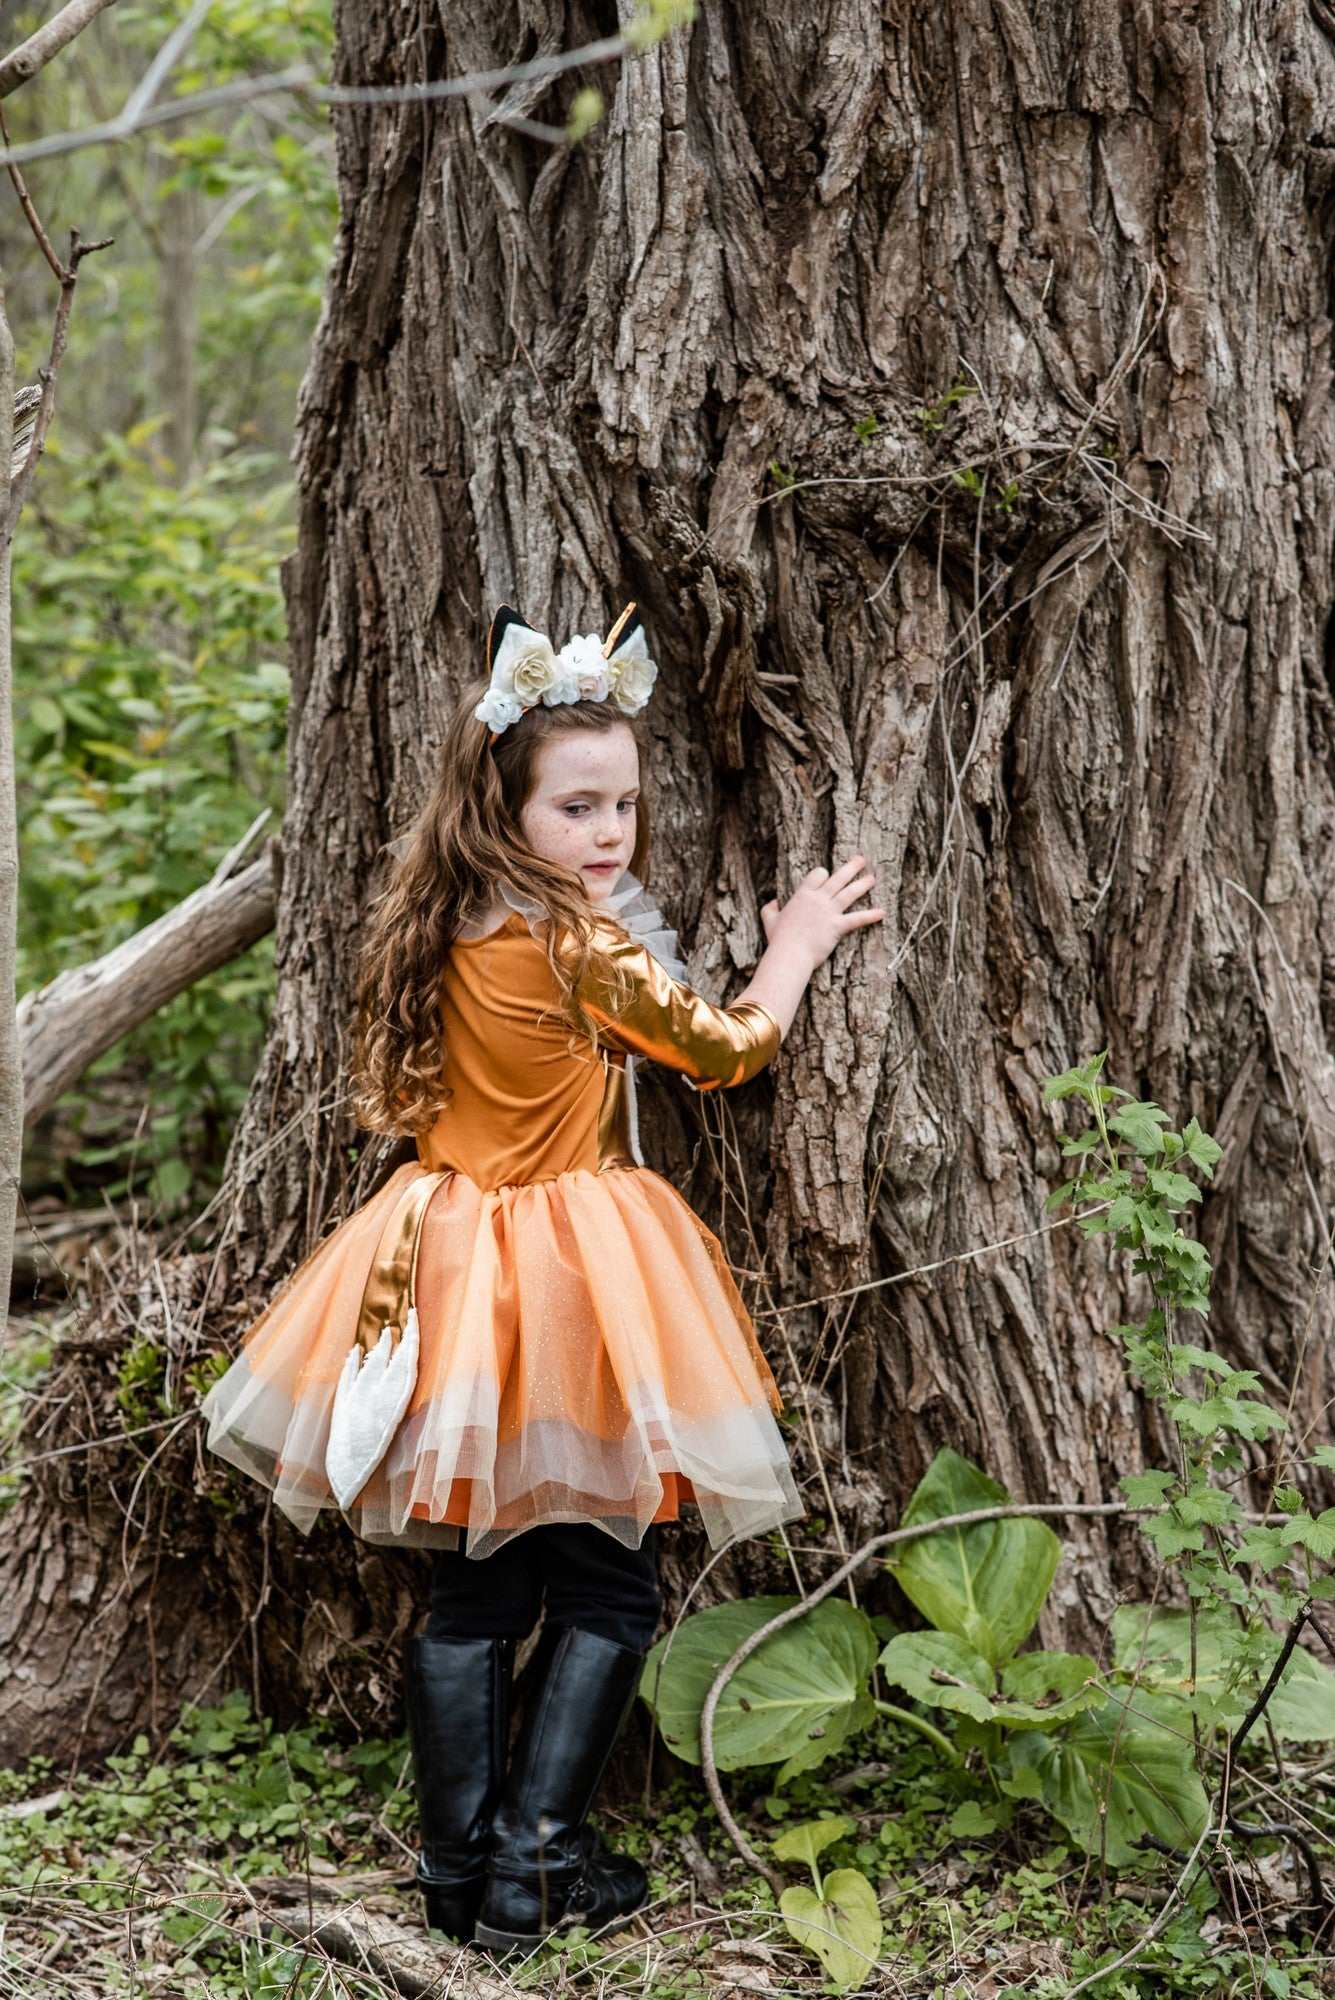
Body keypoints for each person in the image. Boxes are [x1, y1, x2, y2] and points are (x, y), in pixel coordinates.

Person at [198, 599, 884, 1958]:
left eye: (623, 804)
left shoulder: (444, 921)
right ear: (506, 808)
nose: (610, 832)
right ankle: (533, 1869)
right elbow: (725, 1048)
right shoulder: (581, 943)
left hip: (446, 1258)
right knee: (611, 1587)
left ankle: (458, 1876)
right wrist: (798, 941)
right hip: (573, 1279)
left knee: (478, 1591)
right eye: (577, 808)